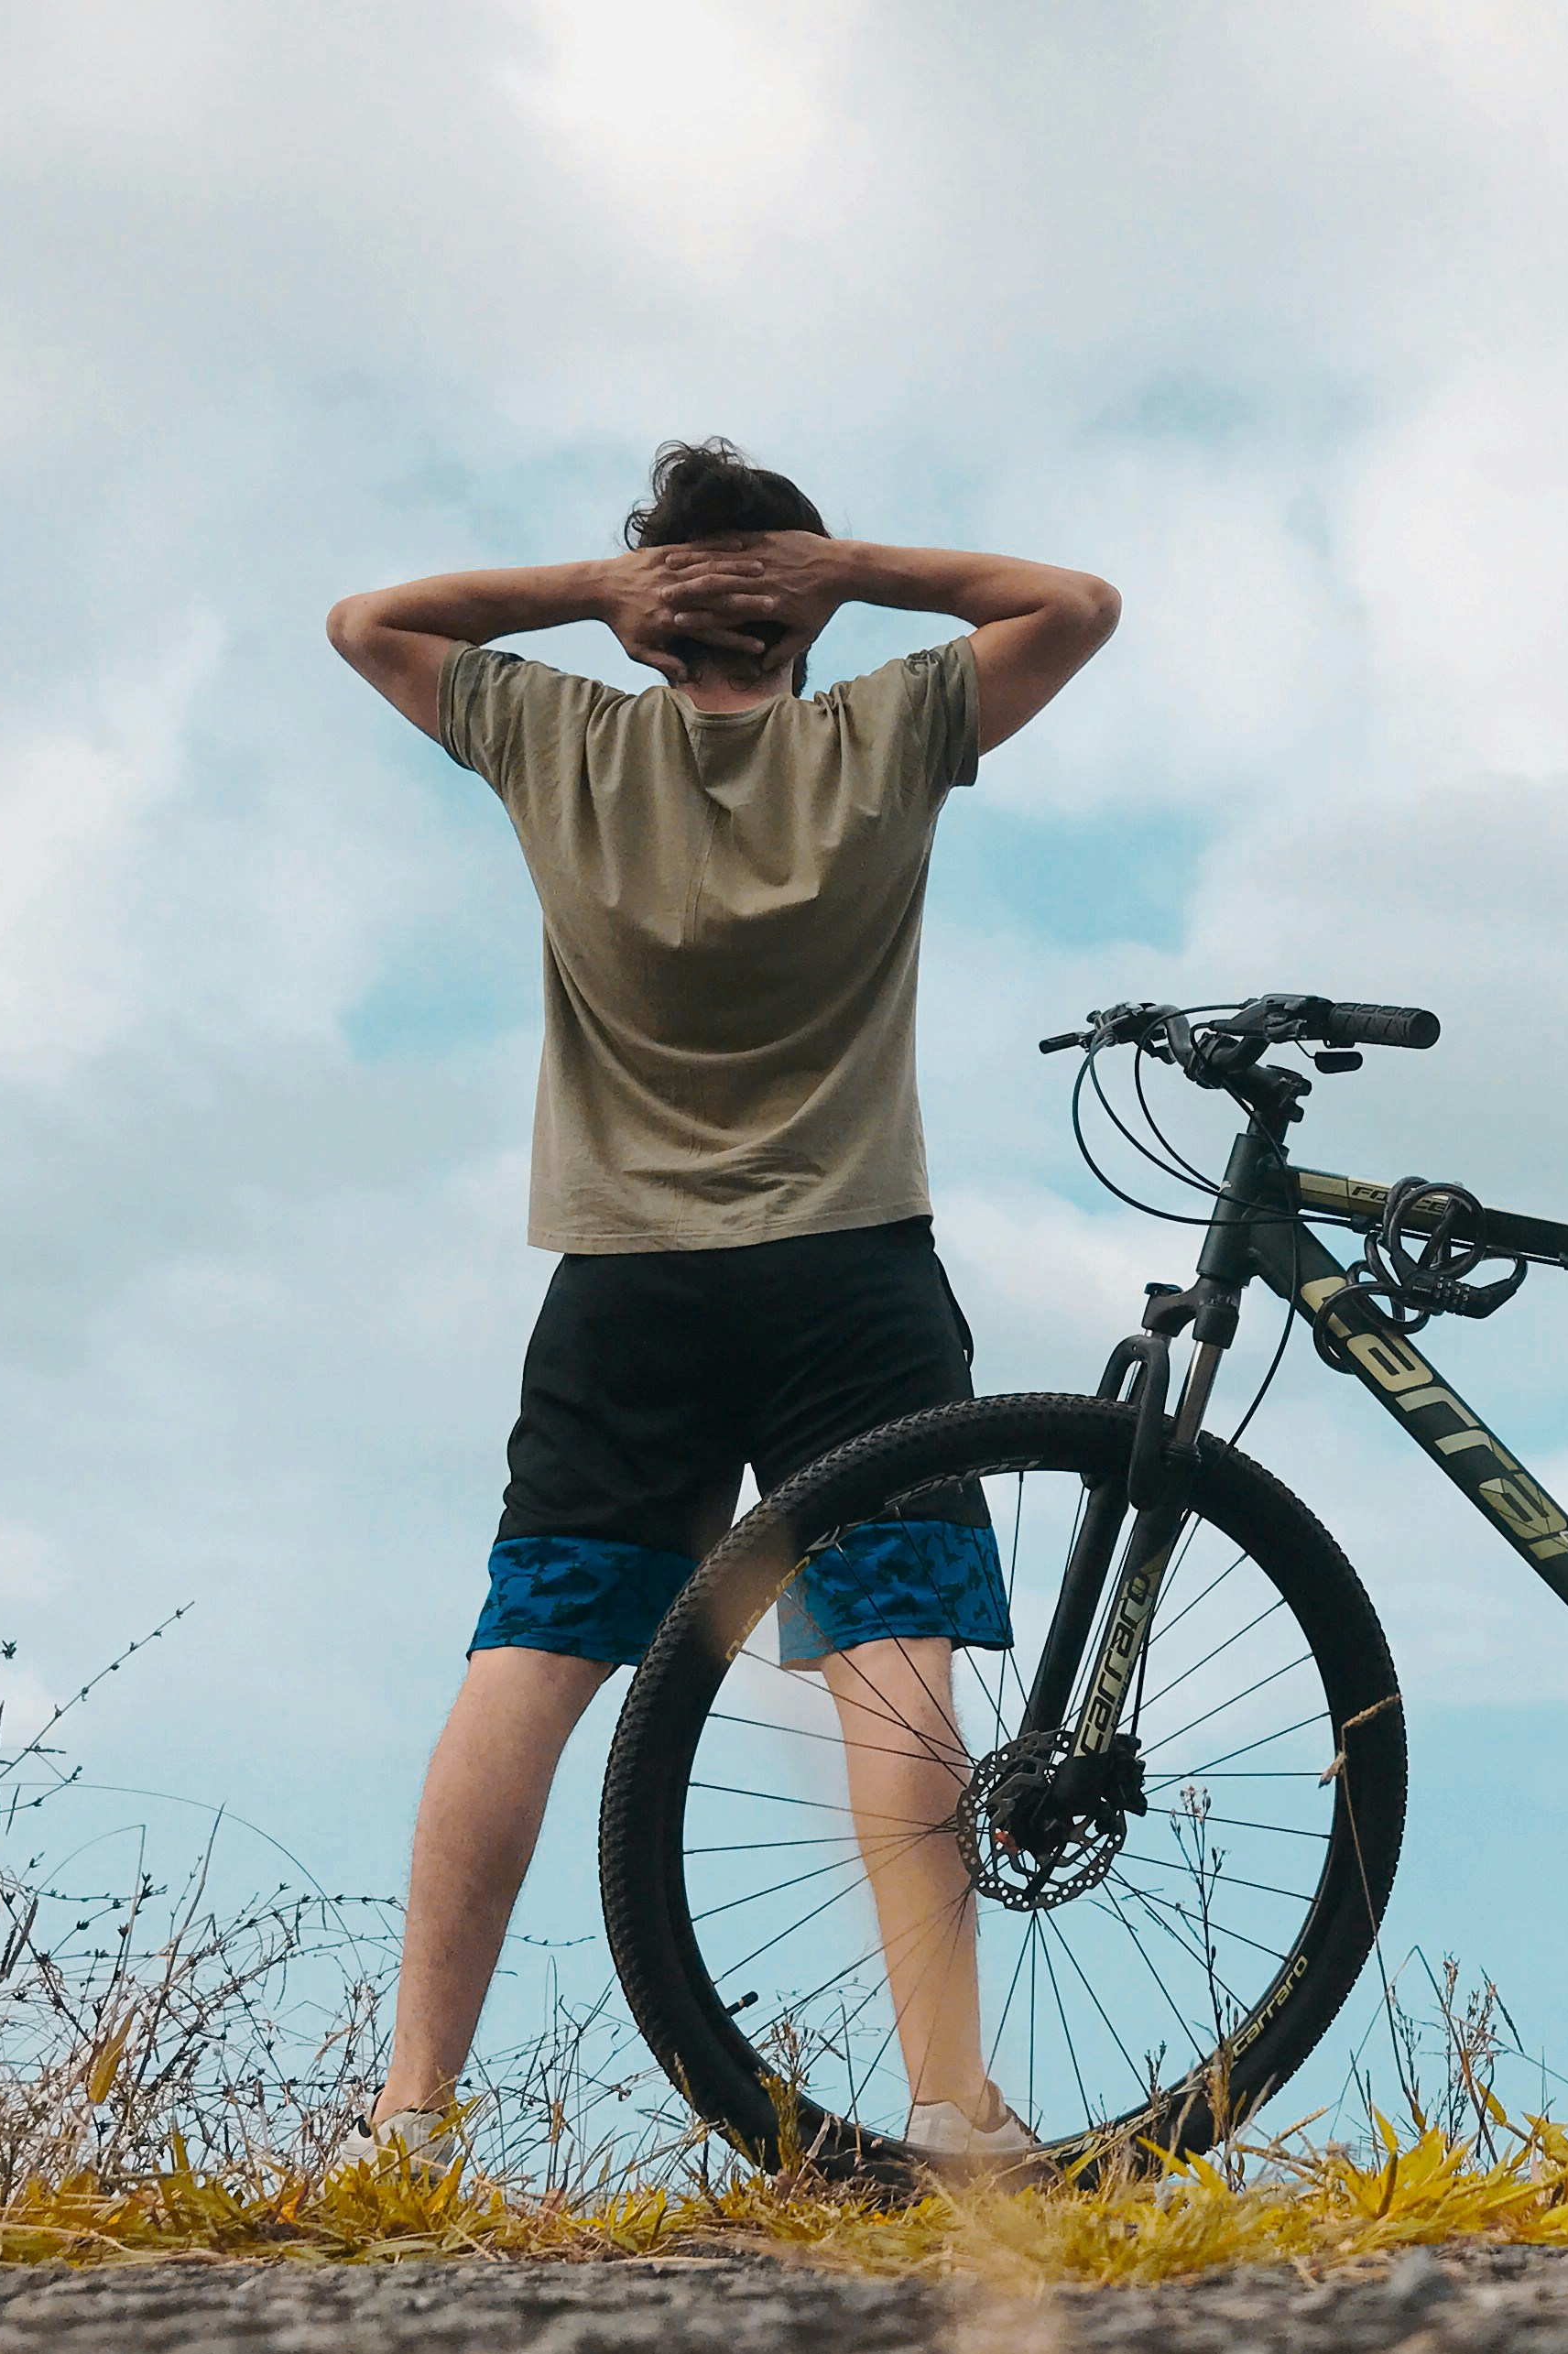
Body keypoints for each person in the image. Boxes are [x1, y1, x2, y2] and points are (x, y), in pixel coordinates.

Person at [323, 439, 1119, 2168]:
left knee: (528, 1663)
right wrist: (856, 578)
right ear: (800, 617)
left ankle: (406, 2116)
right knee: (892, 1675)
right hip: (852, 1272)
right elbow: (1076, 606)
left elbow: (367, 618)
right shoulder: (879, 730)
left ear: (651, 626)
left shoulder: (565, 736)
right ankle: (948, 2099)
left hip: (628, 1285)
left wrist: (586, 599)